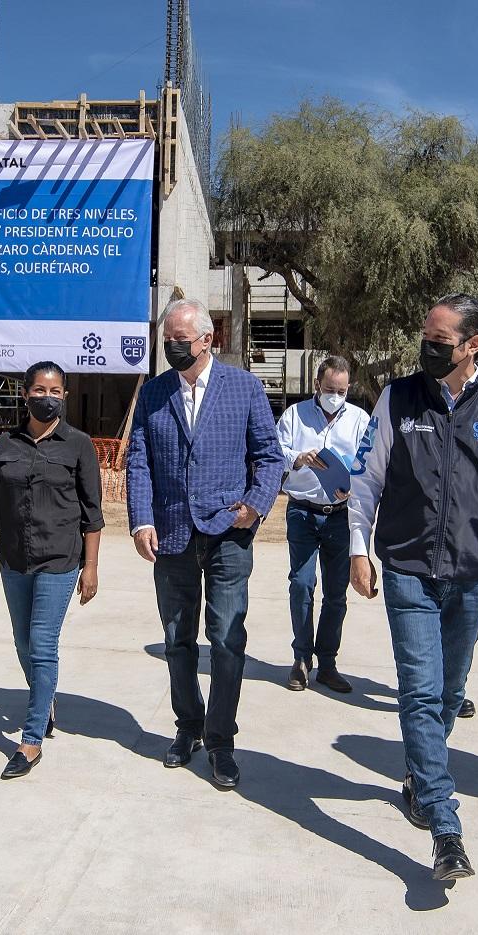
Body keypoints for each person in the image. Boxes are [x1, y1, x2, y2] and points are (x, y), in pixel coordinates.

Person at [346, 293, 478, 881]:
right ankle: (444, 823)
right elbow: (366, 477)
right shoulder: (397, 399)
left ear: (473, 345)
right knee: (421, 692)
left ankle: (417, 773)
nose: (427, 347)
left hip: (476, 574)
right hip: (407, 568)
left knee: (450, 693)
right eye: (424, 337)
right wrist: (358, 547)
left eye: (440, 340)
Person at [126, 297, 284, 790]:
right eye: (166, 340)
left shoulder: (244, 387)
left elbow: (269, 456)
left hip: (228, 535)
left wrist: (253, 507)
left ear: (207, 339)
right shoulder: (153, 394)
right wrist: (140, 520)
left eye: (180, 340)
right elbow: (138, 461)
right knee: (177, 639)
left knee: (226, 639)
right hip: (171, 535)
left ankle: (221, 740)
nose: (171, 347)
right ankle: (188, 726)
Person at [0, 361, 103, 780]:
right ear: (26, 393)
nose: (47, 397)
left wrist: (91, 569)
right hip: (13, 559)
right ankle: (44, 698)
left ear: (64, 396)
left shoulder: (79, 444)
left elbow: (93, 514)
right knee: (23, 641)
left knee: (43, 642)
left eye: (55, 390)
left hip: (60, 560)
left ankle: (30, 740)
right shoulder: (7, 443)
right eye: (39, 389)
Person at [276, 355, 370, 693]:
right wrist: (296, 459)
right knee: (301, 585)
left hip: (341, 515)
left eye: (342, 390)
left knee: (336, 593)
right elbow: (275, 451)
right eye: (330, 389)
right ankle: (301, 659)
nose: (336, 395)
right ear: (318, 385)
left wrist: (353, 485)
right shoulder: (294, 416)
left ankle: (327, 663)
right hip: (302, 511)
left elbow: (369, 465)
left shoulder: (360, 420)